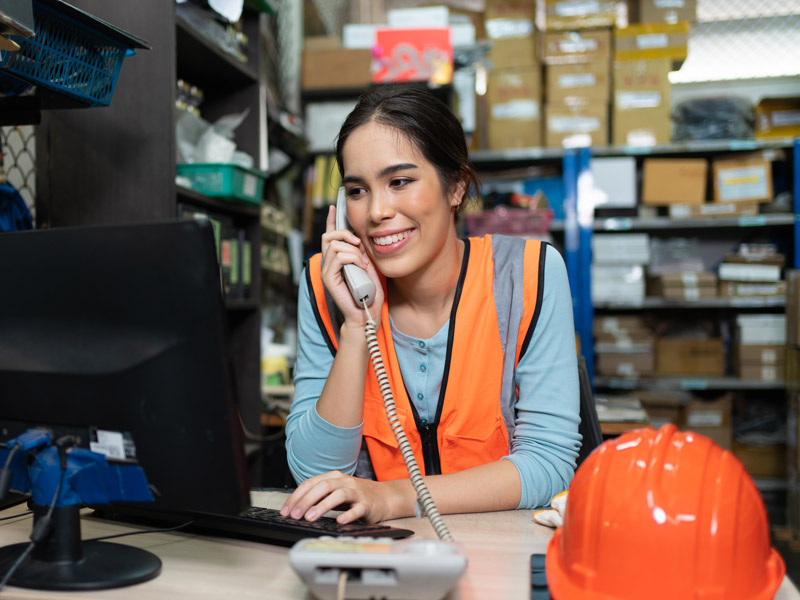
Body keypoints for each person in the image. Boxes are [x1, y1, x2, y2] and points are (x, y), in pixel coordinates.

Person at [281, 83, 580, 526]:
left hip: (502, 551)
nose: (377, 211)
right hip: (379, 557)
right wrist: (354, 328)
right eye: (358, 191)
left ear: (456, 186)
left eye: (399, 181)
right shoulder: (326, 284)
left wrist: (395, 498)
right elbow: (314, 474)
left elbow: (550, 464)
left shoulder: (530, 276)